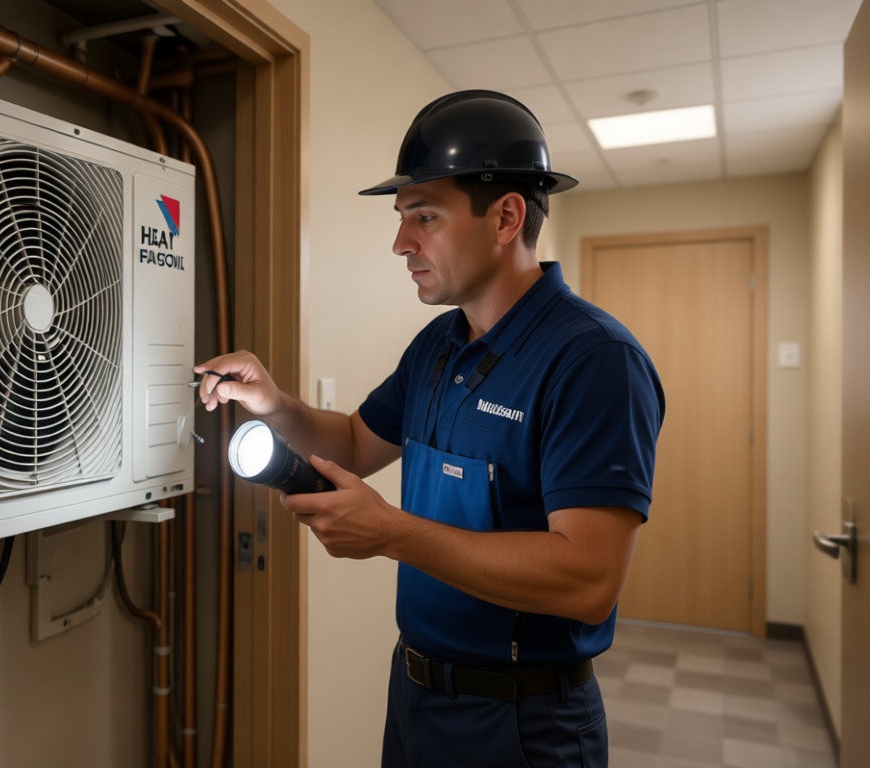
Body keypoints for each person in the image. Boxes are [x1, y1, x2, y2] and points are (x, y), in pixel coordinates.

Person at [194, 90, 664, 767]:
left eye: (424, 217)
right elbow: (356, 442)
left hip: (523, 724)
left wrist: (390, 532)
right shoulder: (439, 346)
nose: (400, 243)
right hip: (416, 698)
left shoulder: (593, 361)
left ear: (505, 216)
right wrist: (275, 404)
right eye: (402, 218)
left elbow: (588, 579)